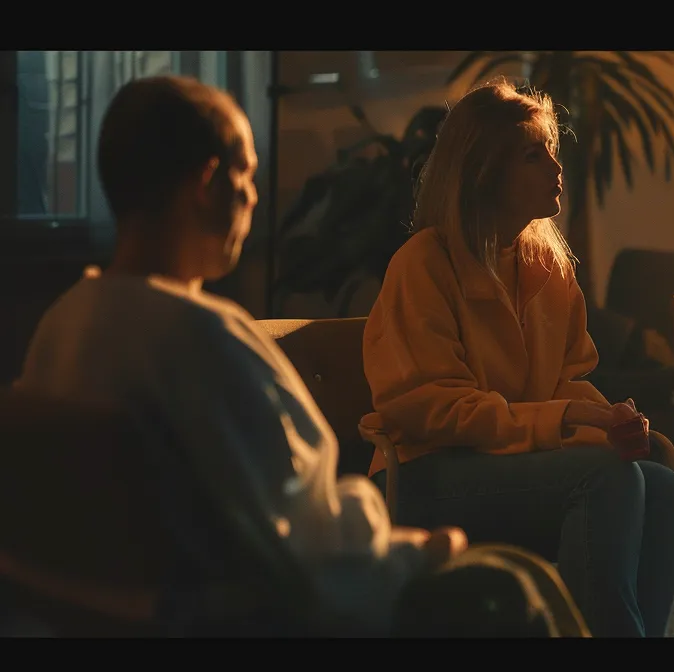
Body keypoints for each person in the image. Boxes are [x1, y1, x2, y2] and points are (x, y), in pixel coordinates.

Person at [12, 75, 463, 635]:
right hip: (254, 613)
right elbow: (306, 550)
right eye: (246, 174)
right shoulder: (203, 339)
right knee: (506, 585)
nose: (252, 196)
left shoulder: (64, 322)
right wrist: (417, 550)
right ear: (206, 182)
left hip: (117, 616)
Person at [359, 79, 674, 638]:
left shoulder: (547, 266)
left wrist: (612, 423)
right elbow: (430, 408)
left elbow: (569, 379)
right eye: (534, 156)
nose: (556, 169)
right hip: (428, 472)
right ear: (484, 171)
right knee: (607, 480)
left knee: (661, 482)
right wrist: (571, 421)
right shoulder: (425, 264)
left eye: (552, 151)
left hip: (513, 464)